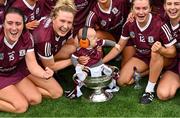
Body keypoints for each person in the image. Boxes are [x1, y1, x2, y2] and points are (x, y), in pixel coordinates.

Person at [103, 0, 177, 104]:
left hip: (161, 57)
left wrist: (161, 49)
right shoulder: (129, 23)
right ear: (132, 9)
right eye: (137, 8)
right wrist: (101, 62)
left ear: (150, 9)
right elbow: (119, 46)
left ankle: (149, 91)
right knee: (122, 81)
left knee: (155, 50)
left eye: (144, 8)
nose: (141, 12)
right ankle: (152, 71)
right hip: (143, 57)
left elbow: (173, 52)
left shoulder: (159, 24)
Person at [0, 7, 54, 113]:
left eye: (18, 23)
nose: (14, 28)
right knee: (21, 107)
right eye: (10, 23)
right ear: (4, 24)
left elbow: (32, 64)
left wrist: (44, 74)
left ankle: (13, 92)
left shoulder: (27, 37)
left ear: (23, 25)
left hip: (13, 72)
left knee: (36, 99)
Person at [31, 0, 77, 98]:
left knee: (73, 48)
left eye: (69, 22)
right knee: (57, 93)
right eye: (62, 21)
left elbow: (71, 44)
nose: (65, 26)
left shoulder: (68, 27)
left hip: (44, 55)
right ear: (53, 18)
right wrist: (73, 60)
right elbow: (50, 66)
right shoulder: (44, 38)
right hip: (29, 64)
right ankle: (28, 86)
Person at [66, 27, 120, 98]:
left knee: (109, 72)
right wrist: (77, 65)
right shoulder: (80, 51)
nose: (97, 38)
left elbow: (105, 42)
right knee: (84, 74)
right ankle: (81, 77)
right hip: (89, 68)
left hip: (100, 66)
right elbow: (73, 58)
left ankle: (111, 85)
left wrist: (115, 44)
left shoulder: (97, 43)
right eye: (94, 38)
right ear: (84, 42)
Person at [156, 0, 180, 101]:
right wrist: (133, 14)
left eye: (177, 4)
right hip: (174, 64)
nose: (172, 7)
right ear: (164, 6)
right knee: (163, 94)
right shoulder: (161, 20)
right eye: (169, 4)